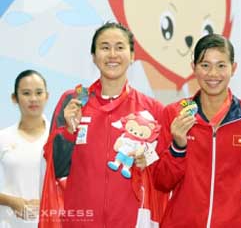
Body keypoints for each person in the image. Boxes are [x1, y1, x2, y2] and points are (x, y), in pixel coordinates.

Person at [39, 22, 168, 228]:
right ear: (93, 56)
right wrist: (69, 132)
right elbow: (52, 164)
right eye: (105, 47)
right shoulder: (72, 101)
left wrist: (148, 160)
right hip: (80, 220)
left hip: (130, 220)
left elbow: (165, 172)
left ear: (133, 55)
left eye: (119, 47)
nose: (112, 54)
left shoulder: (152, 110)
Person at [152, 34, 241, 227]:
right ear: (193, 68)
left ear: (234, 68)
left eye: (221, 65)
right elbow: (161, 182)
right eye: (205, 65)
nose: (213, 73)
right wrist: (178, 147)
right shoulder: (175, 114)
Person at [0, 70, 49, 227]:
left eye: (39, 92)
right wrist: (11, 201)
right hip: (10, 223)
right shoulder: (4, 137)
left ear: (46, 96)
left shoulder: (58, 137)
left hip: (49, 222)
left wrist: (48, 202)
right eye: (26, 93)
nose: (33, 99)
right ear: (14, 98)